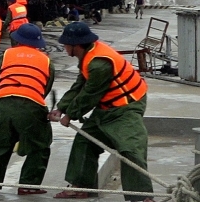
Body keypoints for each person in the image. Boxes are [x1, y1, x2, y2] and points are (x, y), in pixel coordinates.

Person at [49, 22, 153, 201]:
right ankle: (81, 187)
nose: (63, 47)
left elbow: (90, 95)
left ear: (77, 45)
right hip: (107, 108)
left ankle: (141, 196)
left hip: (126, 107)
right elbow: (80, 85)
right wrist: (61, 107)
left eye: (66, 44)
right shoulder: (88, 56)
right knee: (85, 142)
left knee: (131, 149)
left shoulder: (99, 64)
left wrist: (70, 115)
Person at [0, 23, 55, 196]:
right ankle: (28, 185)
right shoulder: (46, 61)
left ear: (18, 41)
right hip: (31, 104)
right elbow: (45, 88)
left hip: (1, 102)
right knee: (40, 144)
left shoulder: (7, 55)